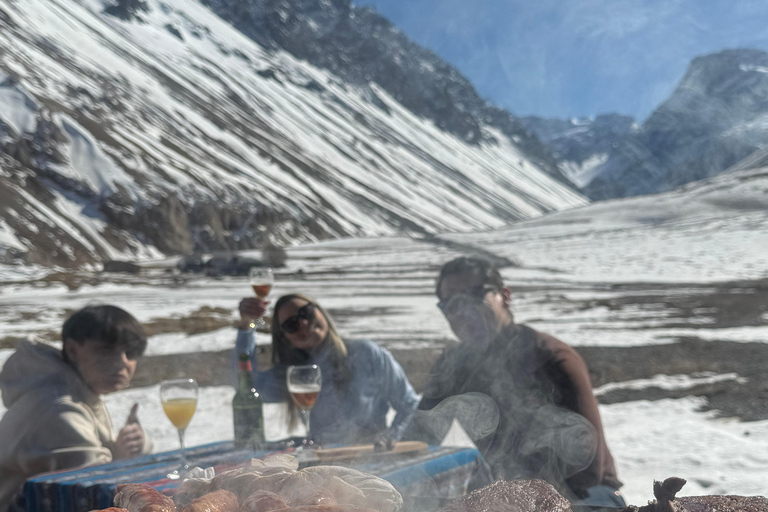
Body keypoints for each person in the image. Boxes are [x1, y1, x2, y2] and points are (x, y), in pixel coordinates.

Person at [417, 257, 623, 506]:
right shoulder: (454, 364)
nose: (461, 311)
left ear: (504, 295)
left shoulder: (550, 358)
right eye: (449, 304)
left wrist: (513, 498)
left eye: (472, 295)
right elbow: (420, 432)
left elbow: (589, 469)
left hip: (587, 497)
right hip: (505, 495)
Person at [0, 305, 152, 512]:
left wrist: (121, 452)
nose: (123, 361)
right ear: (72, 350)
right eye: (107, 350)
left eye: (132, 352)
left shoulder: (76, 391)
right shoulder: (59, 408)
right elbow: (96, 490)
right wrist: (122, 460)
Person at [232, 293, 419, 447]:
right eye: (291, 325)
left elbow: (409, 405)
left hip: (371, 459)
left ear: (321, 312)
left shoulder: (366, 354)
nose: (303, 324)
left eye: (306, 313)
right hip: (324, 466)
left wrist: (391, 437)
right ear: (285, 338)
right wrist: (246, 327)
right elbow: (247, 385)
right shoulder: (294, 374)